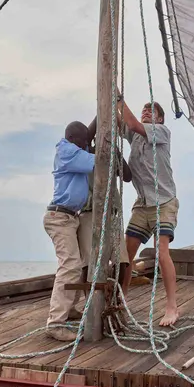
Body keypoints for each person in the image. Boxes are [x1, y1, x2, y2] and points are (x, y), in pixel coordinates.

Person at [117, 97, 180, 326]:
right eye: (144, 109)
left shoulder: (162, 132)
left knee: (161, 252)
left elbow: (132, 123)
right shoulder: (134, 137)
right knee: (126, 254)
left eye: (151, 110)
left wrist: (119, 97)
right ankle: (120, 300)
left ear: (160, 118)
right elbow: (119, 121)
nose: (146, 111)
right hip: (143, 203)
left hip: (164, 201)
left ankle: (172, 307)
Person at [70, 117, 133, 318]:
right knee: (88, 264)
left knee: (122, 261)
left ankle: (113, 300)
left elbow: (128, 176)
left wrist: (114, 151)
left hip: (112, 214)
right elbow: (87, 134)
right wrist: (105, 112)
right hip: (88, 213)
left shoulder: (109, 153)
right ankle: (91, 307)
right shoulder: (83, 153)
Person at [43, 121, 95, 342]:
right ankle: (55, 323)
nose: (87, 145)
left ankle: (70, 309)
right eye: (84, 142)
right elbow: (97, 161)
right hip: (60, 217)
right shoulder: (67, 151)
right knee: (70, 265)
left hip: (69, 217)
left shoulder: (72, 148)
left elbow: (88, 136)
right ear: (75, 139)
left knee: (77, 262)